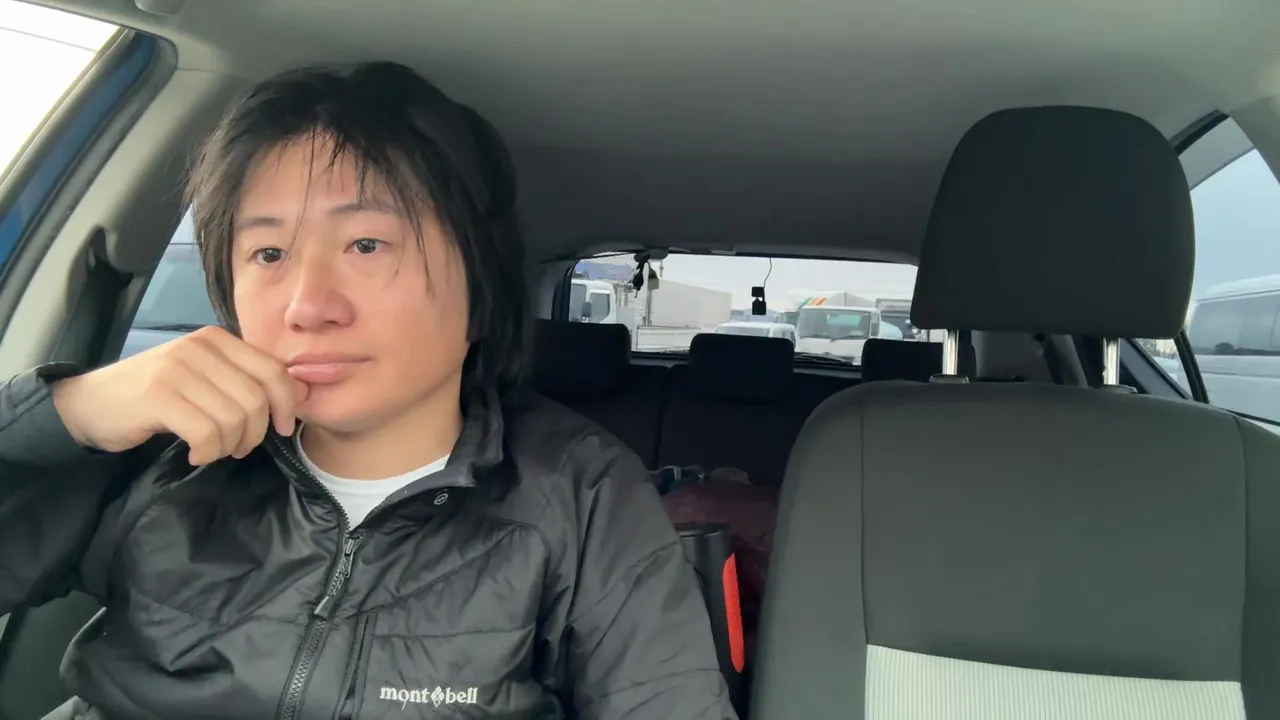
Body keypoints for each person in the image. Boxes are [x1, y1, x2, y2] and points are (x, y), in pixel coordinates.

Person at [0, 61, 735, 719]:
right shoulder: (168, 447)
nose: (306, 305)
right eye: (269, 252)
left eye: (366, 244)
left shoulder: (582, 496)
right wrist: (69, 413)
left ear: (479, 282)